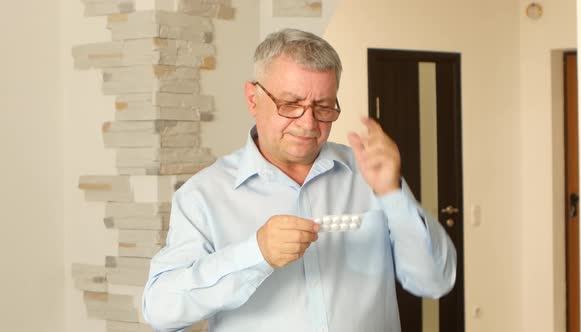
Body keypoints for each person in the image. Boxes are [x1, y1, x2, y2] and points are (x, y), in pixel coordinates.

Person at [143, 28, 456, 332]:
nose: (308, 124)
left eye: (323, 107)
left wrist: (392, 195)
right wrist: (256, 253)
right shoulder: (203, 195)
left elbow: (435, 282)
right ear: (253, 98)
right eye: (290, 104)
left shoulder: (370, 174)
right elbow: (161, 311)